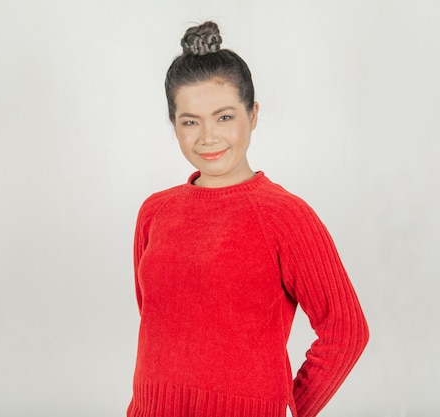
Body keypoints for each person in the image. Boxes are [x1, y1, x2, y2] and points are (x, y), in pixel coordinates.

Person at [127, 21, 369, 417]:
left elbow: (346, 331)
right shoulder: (155, 212)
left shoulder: (285, 216)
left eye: (224, 117)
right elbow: (157, 318)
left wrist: (289, 407)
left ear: (252, 115)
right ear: (173, 124)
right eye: (190, 121)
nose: (207, 137)